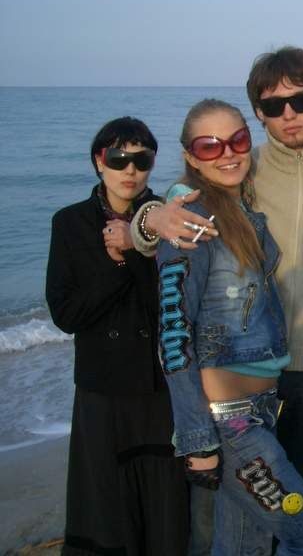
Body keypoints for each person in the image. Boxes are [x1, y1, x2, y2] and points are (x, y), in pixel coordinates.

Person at [132, 46, 303, 491]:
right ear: (259, 113)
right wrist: (148, 219)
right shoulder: (241, 167)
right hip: (244, 370)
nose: (289, 115)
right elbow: (181, 209)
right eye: (274, 106)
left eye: (301, 100)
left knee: (295, 486)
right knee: (243, 493)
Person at [155, 98, 303, 554]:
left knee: (243, 546)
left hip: (260, 409)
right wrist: (197, 440)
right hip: (232, 424)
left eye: (237, 140)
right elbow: (174, 336)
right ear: (191, 156)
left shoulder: (240, 211)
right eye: (210, 146)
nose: (228, 153)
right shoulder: (191, 220)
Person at [46, 117, 188, 555]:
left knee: (164, 501)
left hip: (159, 383)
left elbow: (176, 306)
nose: (130, 170)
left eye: (142, 161)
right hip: (101, 385)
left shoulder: (169, 218)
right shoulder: (70, 223)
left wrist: (136, 245)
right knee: (105, 502)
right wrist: (117, 266)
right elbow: (66, 314)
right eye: (119, 158)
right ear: (99, 161)